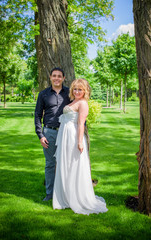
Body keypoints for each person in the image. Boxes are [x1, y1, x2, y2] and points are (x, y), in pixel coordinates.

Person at [53, 78, 108, 215]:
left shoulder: (83, 103)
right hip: (66, 136)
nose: (77, 91)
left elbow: (80, 124)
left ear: (85, 91)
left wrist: (79, 142)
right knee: (65, 165)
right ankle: (65, 197)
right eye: (75, 89)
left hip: (73, 137)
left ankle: (76, 197)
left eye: (80, 89)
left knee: (74, 165)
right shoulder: (74, 101)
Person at [35, 67, 70, 201]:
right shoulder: (43, 94)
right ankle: (50, 193)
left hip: (66, 132)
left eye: (59, 76)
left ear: (63, 78)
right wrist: (40, 135)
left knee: (66, 163)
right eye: (54, 76)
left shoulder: (69, 93)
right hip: (49, 133)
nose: (56, 78)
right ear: (50, 77)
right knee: (50, 163)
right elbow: (38, 115)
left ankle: (65, 193)